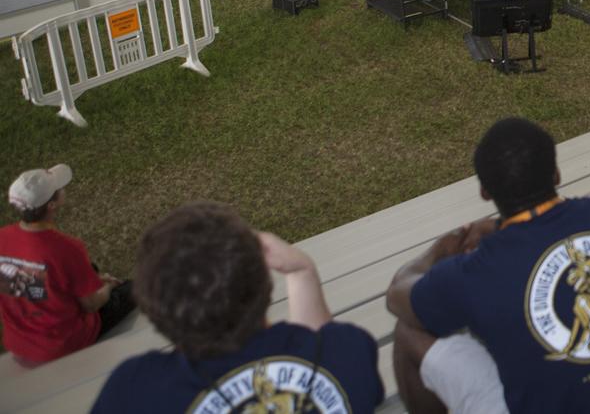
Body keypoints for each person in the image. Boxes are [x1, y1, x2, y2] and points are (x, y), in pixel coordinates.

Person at [387, 118, 590, 414]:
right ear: (556, 174)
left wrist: (441, 248)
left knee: (407, 332)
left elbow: (397, 296)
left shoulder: (478, 270)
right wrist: (498, 226)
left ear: (485, 192)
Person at [92, 202, 383, 413]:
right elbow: (317, 358)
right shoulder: (350, 351)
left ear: (153, 311)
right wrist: (302, 271)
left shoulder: (132, 392)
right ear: (265, 284)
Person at [1, 165, 134, 367]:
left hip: (21, 343)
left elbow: (30, 281)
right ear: (52, 205)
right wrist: (107, 287)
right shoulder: (66, 248)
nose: (64, 189)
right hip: (63, 343)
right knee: (134, 289)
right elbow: (91, 305)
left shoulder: (3, 237)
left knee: (90, 269)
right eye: (59, 189)